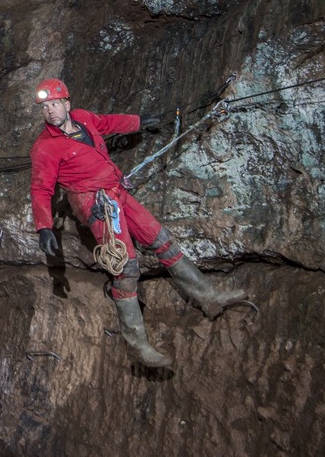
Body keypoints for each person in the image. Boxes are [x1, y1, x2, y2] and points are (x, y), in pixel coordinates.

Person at [29, 78, 245, 368]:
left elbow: (108, 123)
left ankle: (209, 298)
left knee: (162, 240)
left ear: (67, 104)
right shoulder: (45, 148)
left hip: (117, 192)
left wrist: (140, 121)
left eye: (55, 104)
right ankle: (137, 347)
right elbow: (41, 189)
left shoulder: (82, 119)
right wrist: (44, 226)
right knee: (126, 268)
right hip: (95, 204)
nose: (50, 111)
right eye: (45, 107)